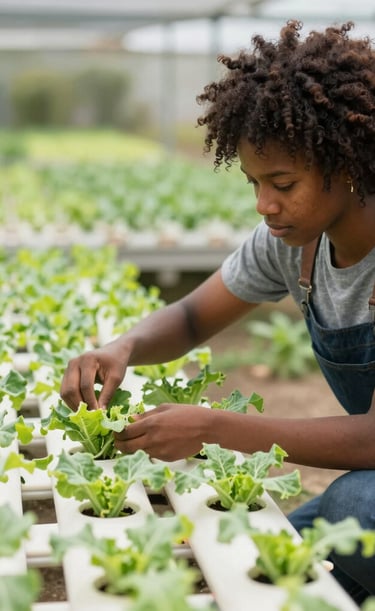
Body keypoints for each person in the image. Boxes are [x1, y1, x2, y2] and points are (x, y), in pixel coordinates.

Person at [60, 20, 375, 603]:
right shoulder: (293, 243)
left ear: (349, 164)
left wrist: (214, 428)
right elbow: (188, 320)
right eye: (255, 182)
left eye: (283, 182)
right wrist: (121, 347)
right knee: (251, 568)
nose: (264, 204)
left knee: (357, 503)